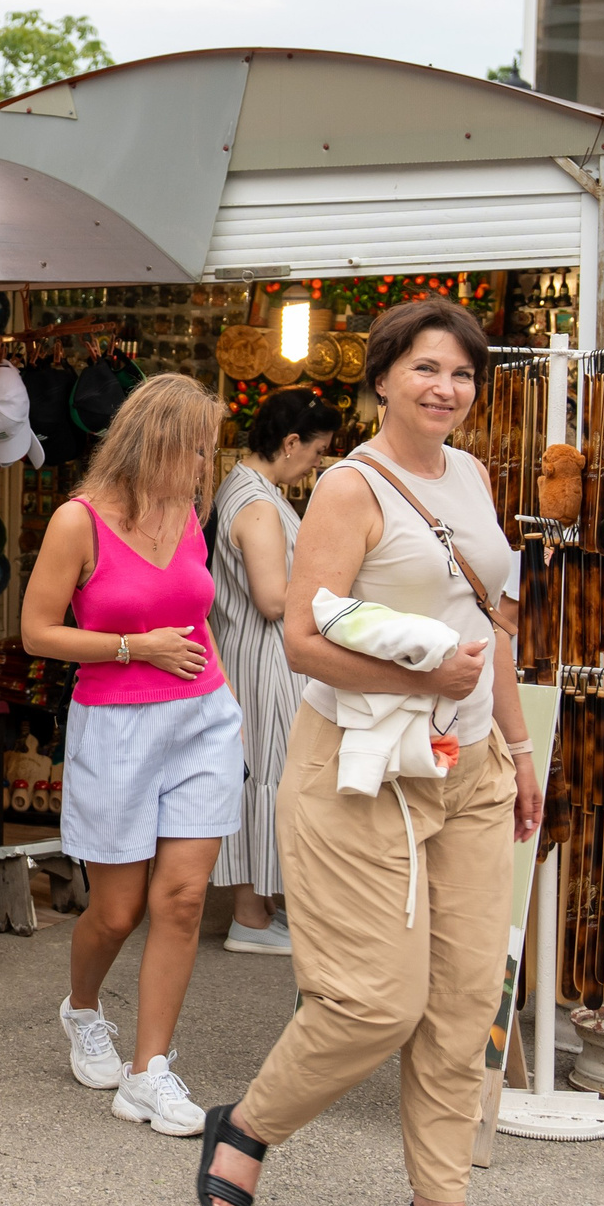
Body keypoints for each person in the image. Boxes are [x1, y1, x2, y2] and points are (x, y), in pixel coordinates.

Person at [195, 298, 546, 1206]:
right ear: (382, 377)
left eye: (463, 375)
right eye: (426, 369)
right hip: (360, 764)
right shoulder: (350, 488)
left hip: (468, 766)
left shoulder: (474, 478)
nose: (446, 389)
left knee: (464, 993)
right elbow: (302, 640)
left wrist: (517, 751)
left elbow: (495, 628)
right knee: (371, 1001)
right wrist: (418, 683)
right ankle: (248, 1126)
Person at [20, 372, 241, 1138]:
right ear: (153, 443)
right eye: (195, 450)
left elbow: (193, 610)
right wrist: (130, 647)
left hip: (202, 719)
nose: (204, 465)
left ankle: (150, 1073)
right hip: (115, 725)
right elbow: (37, 633)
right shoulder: (77, 522)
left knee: (179, 900)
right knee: (115, 912)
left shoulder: (190, 509)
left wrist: (224, 696)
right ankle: (83, 1008)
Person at [205, 388, 342, 955]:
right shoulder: (257, 503)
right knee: (271, 777)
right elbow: (272, 597)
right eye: (315, 452)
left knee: (264, 774)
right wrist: (334, 599)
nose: (315, 463)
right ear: (290, 443)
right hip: (264, 657)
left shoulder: (244, 487)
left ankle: (258, 908)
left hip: (252, 652)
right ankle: (249, 917)